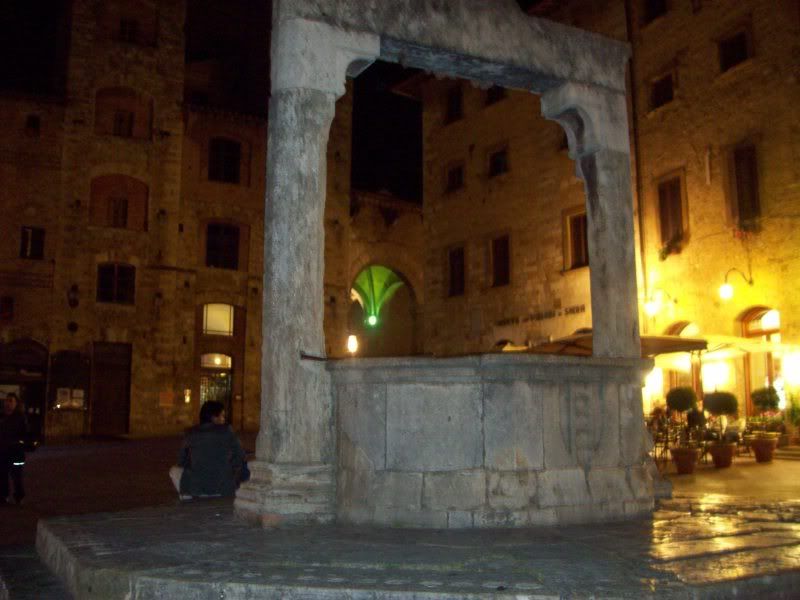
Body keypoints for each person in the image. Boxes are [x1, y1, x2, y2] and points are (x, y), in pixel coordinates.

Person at [169, 401, 246, 500]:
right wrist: (230, 468)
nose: (224, 419)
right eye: (222, 416)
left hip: (197, 488)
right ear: (214, 418)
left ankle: (187, 495)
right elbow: (240, 455)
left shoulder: (190, 433)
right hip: (223, 488)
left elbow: (181, 461)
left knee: (174, 470)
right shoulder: (227, 430)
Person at [0, 393, 28, 505]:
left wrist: (18, 443)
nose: (8, 403)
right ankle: (3, 496)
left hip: (16, 452)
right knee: (2, 475)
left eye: (11, 401)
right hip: (2, 451)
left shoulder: (20, 417)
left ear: (16, 403)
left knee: (17, 476)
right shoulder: (2, 416)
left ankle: (19, 496)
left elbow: (25, 434)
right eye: (6, 400)